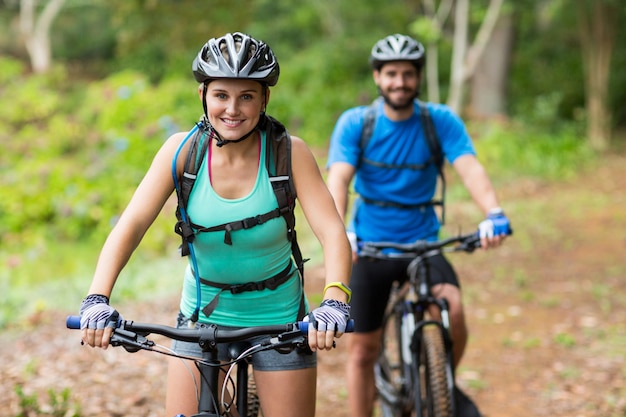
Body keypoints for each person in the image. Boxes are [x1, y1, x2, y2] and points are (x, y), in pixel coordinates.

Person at [78, 32, 353, 417]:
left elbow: (332, 233)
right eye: (221, 95)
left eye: (246, 96)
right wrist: (97, 297)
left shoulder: (289, 152)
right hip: (200, 319)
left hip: (281, 321)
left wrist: (334, 301)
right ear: (203, 95)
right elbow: (132, 224)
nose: (232, 109)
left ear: (264, 99)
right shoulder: (181, 151)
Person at [326, 34, 512, 417]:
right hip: (370, 249)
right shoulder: (356, 123)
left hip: (423, 244)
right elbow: (339, 180)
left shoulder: (438, 121)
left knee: (453, 310)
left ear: (418, 78)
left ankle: (442, 381)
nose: (399, 82)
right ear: (378, 78)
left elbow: (469, 167)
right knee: (362, 350)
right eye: (391, 73)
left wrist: (493, 212)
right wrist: (341, 231)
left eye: (408, 74)